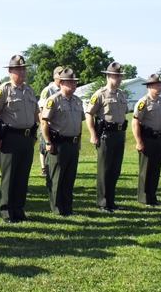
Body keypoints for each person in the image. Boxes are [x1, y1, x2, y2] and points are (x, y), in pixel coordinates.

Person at [0, 55, 39, 222]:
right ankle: (7, 211)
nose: (22, 72)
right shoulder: (4, 89)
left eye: (24, 69)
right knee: (9, 176)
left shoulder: (29, 90)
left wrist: (35, 134)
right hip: (10, 138)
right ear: (10, 71)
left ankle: (19, 209)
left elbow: (36, 113)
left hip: (27, 137)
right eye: (18, 69)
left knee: (22, 176)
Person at [40, 68, 84, 216]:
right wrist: (48, 142)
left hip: (73, 143)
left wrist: (79, 141)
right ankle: (57, 208)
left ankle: (68, 207)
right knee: (57, 177)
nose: (74, 85)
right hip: (59, 144)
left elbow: (79, 123)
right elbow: (44, 122)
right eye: (70, 82)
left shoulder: (77, 101)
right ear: (61, 83)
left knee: (69, 177)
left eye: (75, 82)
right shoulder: (54, 100)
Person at [85, 61, 128, 212]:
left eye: (120, 76)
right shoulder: (100, 94)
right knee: (105, 170)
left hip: (119, 134)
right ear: (108, 76)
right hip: (106, 135)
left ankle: (111, 201)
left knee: (115, 170)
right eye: (116, 76)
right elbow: (89, 114)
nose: (119, 79)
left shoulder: (121, 94)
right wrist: (93, 134)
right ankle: (103, 203)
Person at [133, 74, 161, 206]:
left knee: (155, 169)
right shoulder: (143, 102)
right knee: (146, 170)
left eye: (160, 85)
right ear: (149, 87)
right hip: (147, 139)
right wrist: (139, 141)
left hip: (159, 138)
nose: (159, 88)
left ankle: (152, 196)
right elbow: (135, 122)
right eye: (156, 85)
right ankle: (144, 197)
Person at [38, 66, 63, 178]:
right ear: (54, 76)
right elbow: (41, 109)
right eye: (59, 74)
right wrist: (44, 124)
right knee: (45, 147)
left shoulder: (63, 89)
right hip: (47, 124)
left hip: (58, 126)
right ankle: (45, 168)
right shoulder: (48, 90)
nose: (62, 76)